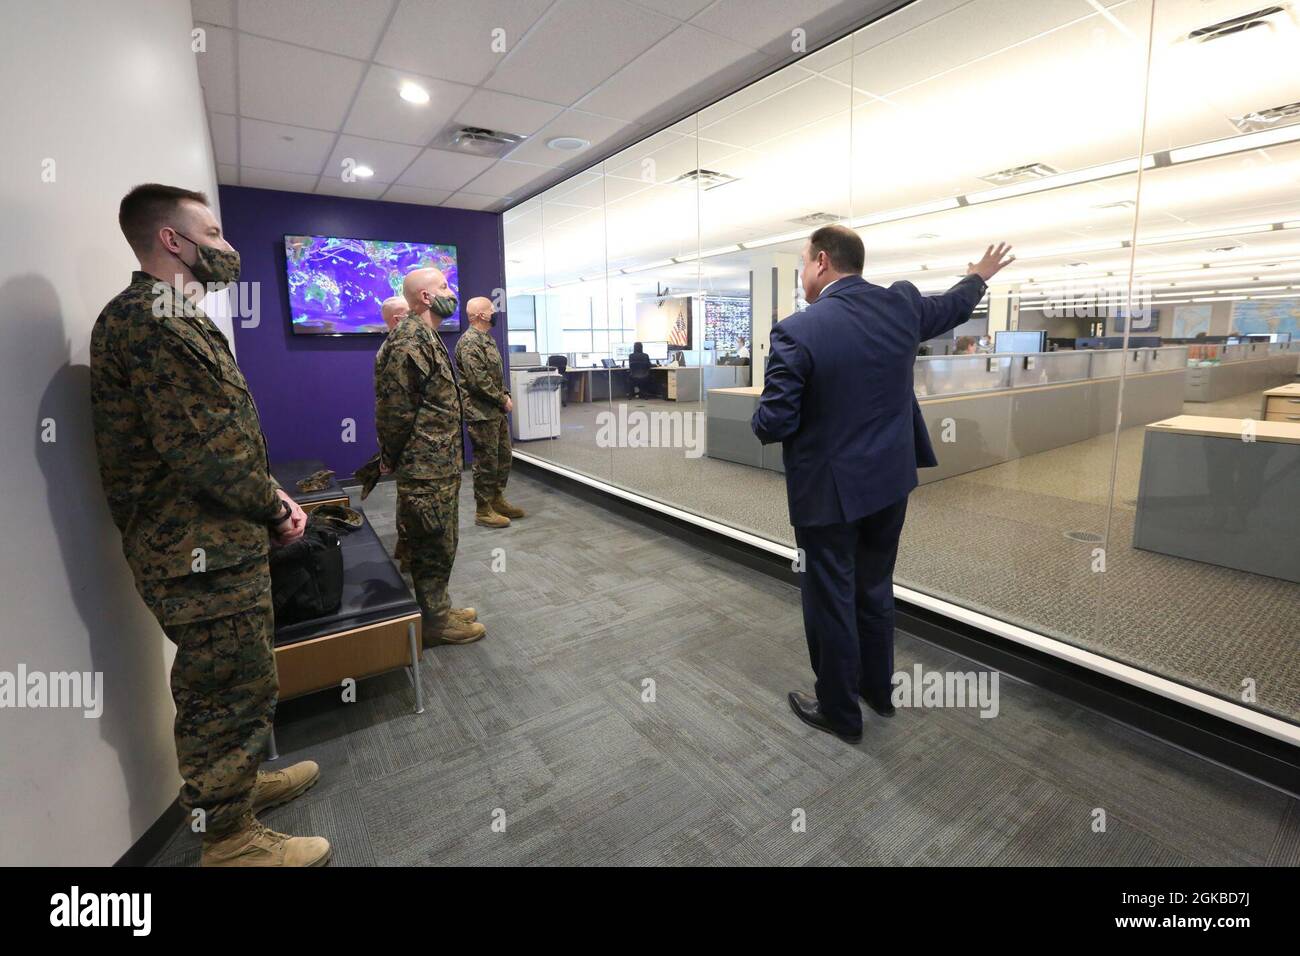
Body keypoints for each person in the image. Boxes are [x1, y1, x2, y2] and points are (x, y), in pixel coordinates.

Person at [90, 184, 328, 866]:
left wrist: (268, 496)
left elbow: (221, 440)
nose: (226, 248)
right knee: (222, 687)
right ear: (173, 240)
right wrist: (277, 505)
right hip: (195, 549)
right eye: (214, 233)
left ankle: (240, 785)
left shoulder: (172, 316)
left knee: (240, 677)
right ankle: (229, 840)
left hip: (214, 540)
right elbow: (204, 453)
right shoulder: (154, 322)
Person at [752, 224, 1014, 743]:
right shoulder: (901, 307)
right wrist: (978, 278)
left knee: (830, 597)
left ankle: (840, 712)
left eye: (804, 263)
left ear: (822, 261)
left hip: (829, 493)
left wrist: (772, 410)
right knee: (873, 587)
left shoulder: (797, 331)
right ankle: (878, 691)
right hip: (890, 482)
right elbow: (952, 307)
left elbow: (773, 423)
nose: (803, 274)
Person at [375, 268, 484, 645]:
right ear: (424, 297)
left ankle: (437, 605)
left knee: (442, 539)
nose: (451, 292)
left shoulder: (426, 335)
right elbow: (395, 412)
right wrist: (390, 455)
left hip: (439, 464)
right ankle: (435, 622)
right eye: (443, 286)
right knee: (432, 543)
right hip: (425, 467)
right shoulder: (408, 341)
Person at [455, 296, 525, 528]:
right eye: (490, 309)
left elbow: (495, 374)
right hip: (481, 413)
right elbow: (478, 381)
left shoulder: (487, 340)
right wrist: (502, 398)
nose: (494, 312)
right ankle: (483, 510)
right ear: (479, 315)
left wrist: (504, 393)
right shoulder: (469, 342)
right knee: (486, 461)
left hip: (495, 411)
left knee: (503, 457)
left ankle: (497, 499)